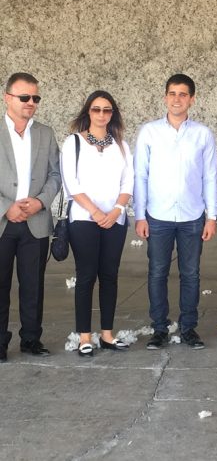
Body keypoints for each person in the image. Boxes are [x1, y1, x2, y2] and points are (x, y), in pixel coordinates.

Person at [134, 74, 217, 350]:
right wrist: (139, 215)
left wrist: (212, 216)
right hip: (157, 215)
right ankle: (159, 329)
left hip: (192, 216)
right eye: (172, 93)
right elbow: (140, 175)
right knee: (157, 272)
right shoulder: (149, 132)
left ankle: (188, 328)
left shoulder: (202, 134)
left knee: (191, 274)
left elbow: (209, 177)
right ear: (165, 97)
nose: (177, 99)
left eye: (183, 94)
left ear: (192, 99)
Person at [61, 91, 133, 357]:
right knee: (86, 275)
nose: (101, 114)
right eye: (96, 109)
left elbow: (128, 182)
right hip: (84, 219)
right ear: (88, 112)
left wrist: (116, 210)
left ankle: (107, 335)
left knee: (110, 276)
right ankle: (84, 337)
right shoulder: (74, 143)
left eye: (107, 110)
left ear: (113, 114)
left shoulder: (121, 146)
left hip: (115, 219)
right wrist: (95, 212)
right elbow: (71, 183)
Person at [0, 72, 61, 362]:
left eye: (36, 98)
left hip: (35, 223)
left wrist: (40, 202)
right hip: (3, 222)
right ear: (7, 98)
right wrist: (5, 207)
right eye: (24, 97)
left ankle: (31, 339)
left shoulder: (45, 133)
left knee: (33, 285)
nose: (31, 102)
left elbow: (55, 174)